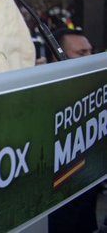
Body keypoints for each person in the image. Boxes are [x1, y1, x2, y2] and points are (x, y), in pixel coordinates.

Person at [48, 28, 97, 233]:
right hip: (58, 198)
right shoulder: (45, 90)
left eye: (90, 51)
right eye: (81, 53)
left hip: (87, 189)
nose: (89, 57)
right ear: (57, 54)